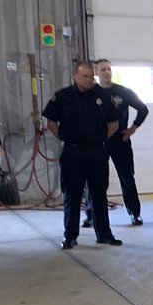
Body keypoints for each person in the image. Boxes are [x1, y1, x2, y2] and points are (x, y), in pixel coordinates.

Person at [42, 60, 123, 249]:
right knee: (72, 195)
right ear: (75, 77)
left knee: (99, 195)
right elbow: (51, 122)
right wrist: (63, 137)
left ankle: (104, 234)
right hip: (73, 152)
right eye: (84, 76)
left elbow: (114, 124)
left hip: (96, 151)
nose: (89, 80)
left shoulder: (103, 96)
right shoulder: (63, 97)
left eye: (91, 76)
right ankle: (70, 236)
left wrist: (101, 138)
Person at [83, 59, 149, 228]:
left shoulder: (122, 92)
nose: (107, 72)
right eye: (103, 70)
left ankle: (135, 213)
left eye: (109, 69)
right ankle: (92, 215)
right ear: (96, 73)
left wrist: (132, 129)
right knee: (96, 179)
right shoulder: (90, 93)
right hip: (98, 142)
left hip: (120, 141)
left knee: (126, 177)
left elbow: (143, 109)